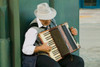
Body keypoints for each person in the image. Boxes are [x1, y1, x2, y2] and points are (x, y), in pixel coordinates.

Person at [22, 3, 84, 67]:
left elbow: (58, 36)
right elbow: (25, 49)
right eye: (46, 19)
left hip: (56, 54)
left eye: (50, 18)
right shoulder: (33, 30)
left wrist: (71, 33)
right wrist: (40, 48)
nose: (49, 21)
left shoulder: (52, 21)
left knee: (78, 61)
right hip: (40, 56)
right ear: (40, 17)